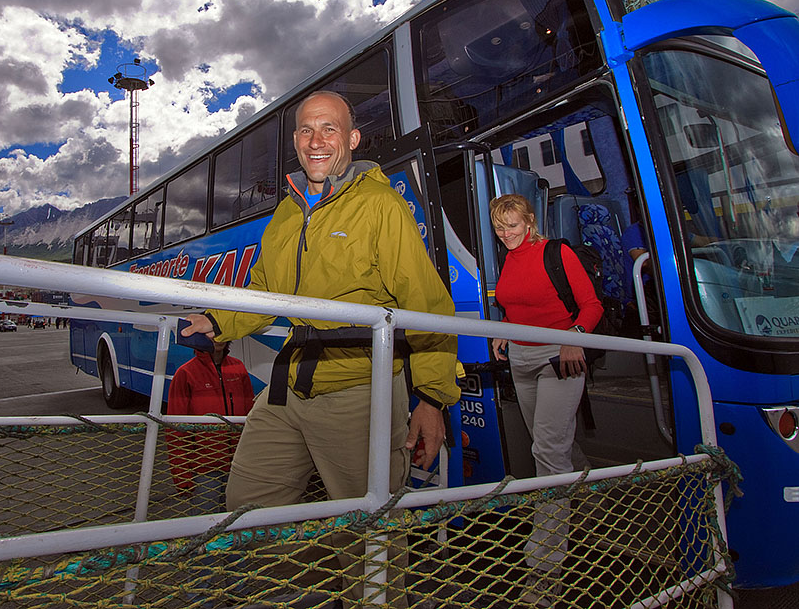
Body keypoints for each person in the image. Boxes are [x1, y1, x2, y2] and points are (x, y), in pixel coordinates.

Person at [180, 90, 461, 602]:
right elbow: (265, 292)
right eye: (307, 130)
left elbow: (428, 307)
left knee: (370, 539)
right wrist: (216, 320)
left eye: (329, 128)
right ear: (295, 142)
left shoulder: (381, 206)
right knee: (247, 513)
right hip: (288, 387)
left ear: (351, 139)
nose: (317, 140)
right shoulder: (285, 216)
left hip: (359, 387)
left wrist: (433, 399)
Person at [489, 193, 603, 607]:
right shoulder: (509, 256)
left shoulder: (556, 252)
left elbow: (591, 305)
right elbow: (516, 305)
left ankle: (544, 569)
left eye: (513, 225)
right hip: (520, 357)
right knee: (554, 442)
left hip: (560, 356)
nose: (506, 234)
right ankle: (589, 496)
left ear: (530, 221)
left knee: (547, 452)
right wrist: (503, 327)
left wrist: (574, 339)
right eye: (500, 228)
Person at [166, 340, 255, 513]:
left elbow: (251, 418)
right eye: (209, 334)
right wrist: (181, 474)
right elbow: (176, 429)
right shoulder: (185, 373)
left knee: (236, 521)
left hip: (238, 467)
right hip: (204, 470)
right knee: (205, 525)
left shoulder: (238, 368)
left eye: (219, 332)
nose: (217, 338)